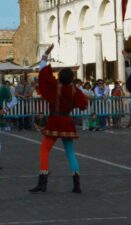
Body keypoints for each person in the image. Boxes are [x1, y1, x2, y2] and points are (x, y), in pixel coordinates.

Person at [28, 45, 88, 194]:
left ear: (60, 77)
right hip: (67, 121)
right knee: (70, 152)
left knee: (44, 150)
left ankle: (43, 182)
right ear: (72, 79)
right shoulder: (76, 90)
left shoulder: (55, 87)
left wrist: (45, 55)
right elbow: (84, 104)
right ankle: (77, 184)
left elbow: (42, 74)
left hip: (55, 120)